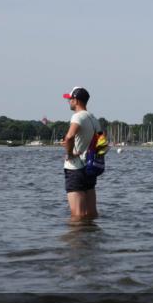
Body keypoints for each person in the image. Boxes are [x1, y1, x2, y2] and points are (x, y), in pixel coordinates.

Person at [61, 86, 102, 220]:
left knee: (77, 215)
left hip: (75, 169)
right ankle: (91, 237)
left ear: (76, 100)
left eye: (70, 99)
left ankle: (78, 239)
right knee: (91, 213)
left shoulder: (77, 117)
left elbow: (69, 137)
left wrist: (69, 154)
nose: (69, 101)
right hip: (90, 168)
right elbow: (101, 142)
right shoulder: (94, 119)